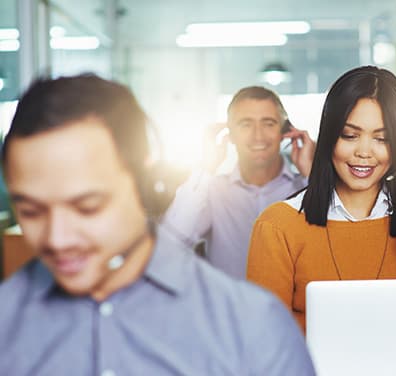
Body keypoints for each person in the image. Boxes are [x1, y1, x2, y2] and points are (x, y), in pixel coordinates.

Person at [0, 74, 315, 375]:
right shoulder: (7, 322)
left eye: (87, 206)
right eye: (31, 211)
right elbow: (176, 234)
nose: (57, 239)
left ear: (142, 176)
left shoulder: (253, 323)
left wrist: (315, 178)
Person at [247, 66, 396, 333]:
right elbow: (265, 341)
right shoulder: (277, 226)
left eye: (381, 139)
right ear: (329, 137)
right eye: (350, 135)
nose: (363, 152)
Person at [161, 86, 316, 279]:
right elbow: (170, 243)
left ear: (285, 132)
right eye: (245, 124)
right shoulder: (211, 191)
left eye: (268, 123)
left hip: (289, 309)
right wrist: (205, 168)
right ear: (230, 135)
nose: (258, 136)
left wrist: (314, 173)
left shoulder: (305, 189)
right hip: (227, 309)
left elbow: (332, 244)